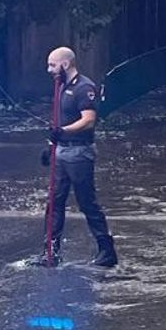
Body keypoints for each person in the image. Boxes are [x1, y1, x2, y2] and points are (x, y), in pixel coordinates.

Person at [43, 46, 118, 268]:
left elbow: (89, 119)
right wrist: (51, 145)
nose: (49, 70)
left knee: (87, 202)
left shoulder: (84, 87)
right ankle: (50, 252)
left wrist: (64, 131)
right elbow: (58, 119)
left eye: (52, 65)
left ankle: (107, 250)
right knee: (54, 203)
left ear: (65, 64)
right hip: (62, 151)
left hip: (79, 152)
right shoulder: (60, 86)